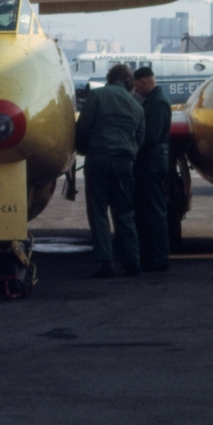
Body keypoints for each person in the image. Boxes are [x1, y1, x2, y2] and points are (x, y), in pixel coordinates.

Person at [75, 64, 144, 278]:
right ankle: (132, 262)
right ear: (128, 82)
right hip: (124, 161)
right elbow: (140, 138)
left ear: (110, 78)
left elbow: (83, 127)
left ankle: (106, 263)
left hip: (99, 159)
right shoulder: (137, 106)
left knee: (98, 211)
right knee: (124, 212)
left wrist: (84, 150)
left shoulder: (97, 96)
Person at [133, 66, 172, 272]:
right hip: (153, 163)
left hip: (152, 164)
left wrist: (132, 146)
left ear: (144, 82)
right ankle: (153, 256)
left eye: (137, 86)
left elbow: (151, 136)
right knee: (150, 211)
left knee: (154, 212)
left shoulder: (157, 103)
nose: (136, 91)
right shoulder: (156, 100)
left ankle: (158, 258)